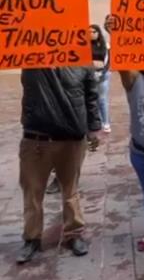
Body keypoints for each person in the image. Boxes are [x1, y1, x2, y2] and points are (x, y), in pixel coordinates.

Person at [17, 68, 101, 264]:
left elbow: (91, 97)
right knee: (32, 193)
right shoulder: (32, 59)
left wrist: (94, 127)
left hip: (71, 138)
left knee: (70, 190)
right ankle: (32, 238)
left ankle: (74, 233)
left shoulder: (82, 62)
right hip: (36, 137)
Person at [90, 24, 111, 132]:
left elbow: (108, 62)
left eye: (94, 32)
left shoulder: (105, 45)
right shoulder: (85, 46)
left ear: (98, 33)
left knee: (102, 99)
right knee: (92, 99)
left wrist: (102, 73)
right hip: (90, 75)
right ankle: (96, 121)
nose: (91, 34)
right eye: (89, 32)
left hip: (102, 74)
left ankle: (106, 122)